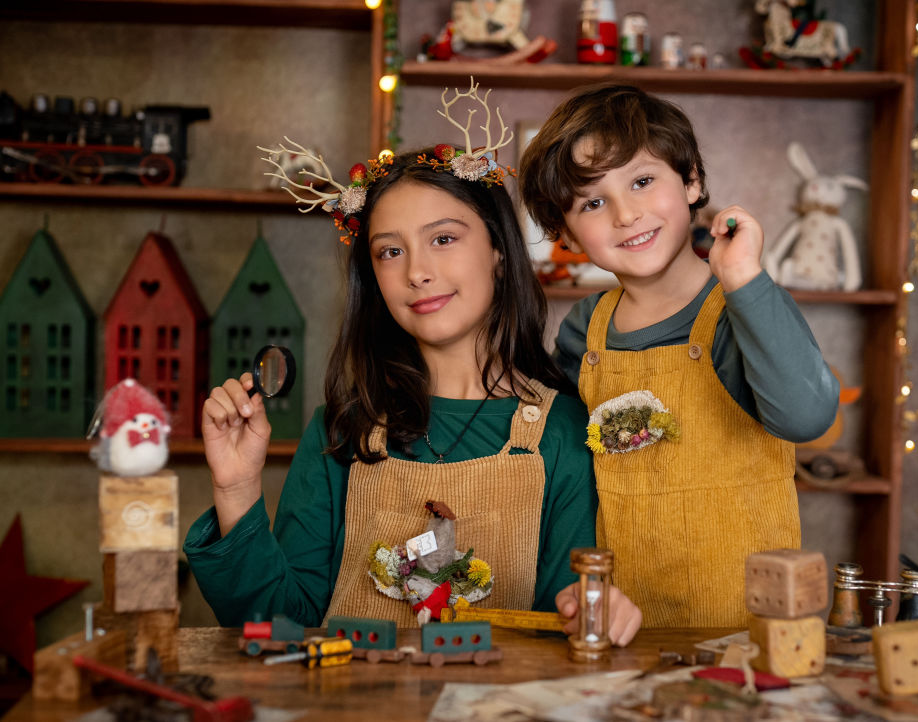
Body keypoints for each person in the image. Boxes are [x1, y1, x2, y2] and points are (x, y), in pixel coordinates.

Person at [184, 103, 641, 644]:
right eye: (390, 251)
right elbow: (275, 627)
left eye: (443, 239)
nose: (417, 273)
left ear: (498, 247)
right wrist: (235, 489)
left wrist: (594, 610)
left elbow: (563, 628)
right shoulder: (341, 430)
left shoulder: (563, 430)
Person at [518, 83, 839, 628]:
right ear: (563, 231)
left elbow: (807, 417)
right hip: (624, 624)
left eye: (642, 181)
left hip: (748, 627)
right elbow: (563, 472)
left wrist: (743, 279)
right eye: (593, 202)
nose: (626, 214)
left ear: (691, 181)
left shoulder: (743, 305)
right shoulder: (583, 332)